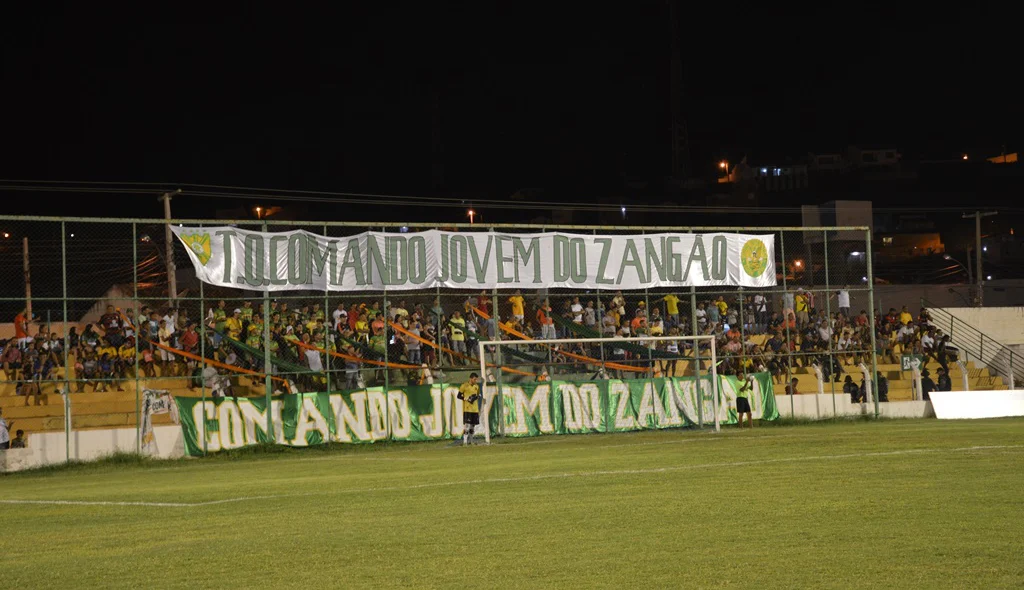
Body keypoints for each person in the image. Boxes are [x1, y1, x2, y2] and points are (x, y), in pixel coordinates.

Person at [457, 372, 481, 445]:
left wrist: (477, 397)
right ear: (470, 378)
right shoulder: (464, 386)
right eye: (474, 379)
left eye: (476, 379)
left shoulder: (476, 386)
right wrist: (466, 398)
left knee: (473, 426)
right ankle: (465, 441)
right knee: (467, 426)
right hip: (467, 409)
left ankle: (471, 440)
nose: (475, 381)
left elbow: (478, 394)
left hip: (475, 409)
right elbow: (458, 396)